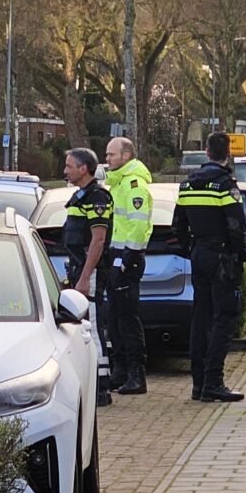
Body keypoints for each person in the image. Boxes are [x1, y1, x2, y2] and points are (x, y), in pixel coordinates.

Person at [177, 132, 246, 402]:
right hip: (222, 257)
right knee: (224, 318)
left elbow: (178, 226)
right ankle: (214, 382)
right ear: (226, 154)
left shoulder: (187, 186)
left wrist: (192, 250)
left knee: (201, 317)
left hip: (199, 256)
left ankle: (198, 384)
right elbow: (236, 227)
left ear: (206, 152)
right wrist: (240, 255)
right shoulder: (225, 185)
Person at [61, 147, 115, 406]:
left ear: (83, 168)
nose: (65, 171)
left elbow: (98, 240)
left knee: (93, 325)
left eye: (69, 166)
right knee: (83, 326)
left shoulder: (97, 198)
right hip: (79, 269)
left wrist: (85, 277)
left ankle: (101, 387)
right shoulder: (80, 197)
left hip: (90, 272)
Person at [102, 136, 152, 395]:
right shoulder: (119, 183)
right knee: (116, 318)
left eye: (111, 154)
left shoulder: (133, 184)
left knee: (128, 319)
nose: (107, 159)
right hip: (117, 256)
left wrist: (126, 259)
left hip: (127, 259)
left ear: (126, 156)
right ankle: (121, 371)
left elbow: (138, 224)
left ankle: (136, 374)